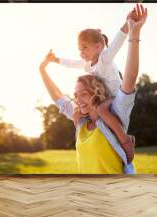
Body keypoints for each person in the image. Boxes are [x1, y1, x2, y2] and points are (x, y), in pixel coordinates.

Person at [39, 4, 147, 174]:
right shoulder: (80, 119)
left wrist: (131, 28)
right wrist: (45, 67)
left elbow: (129, 72)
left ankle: (126, 141)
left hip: (115, 95)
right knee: (101, 108)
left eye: (83, 94)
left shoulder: (115, 110)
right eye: (75, 95)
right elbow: (58, 96)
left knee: (103, 109)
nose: (77, 100)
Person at [48, 16, 135, 162]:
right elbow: (72, 63)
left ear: (98, 47)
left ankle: (126, 141)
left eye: (85, 47)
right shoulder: (87, 64)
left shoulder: (105, 58)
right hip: (104, 97)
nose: (81, 52)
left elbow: (117, 42)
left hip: (115, 95)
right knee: (92, 111)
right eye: (80, 49)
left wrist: (129, 24)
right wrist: (55, 60)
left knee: (100, 109)